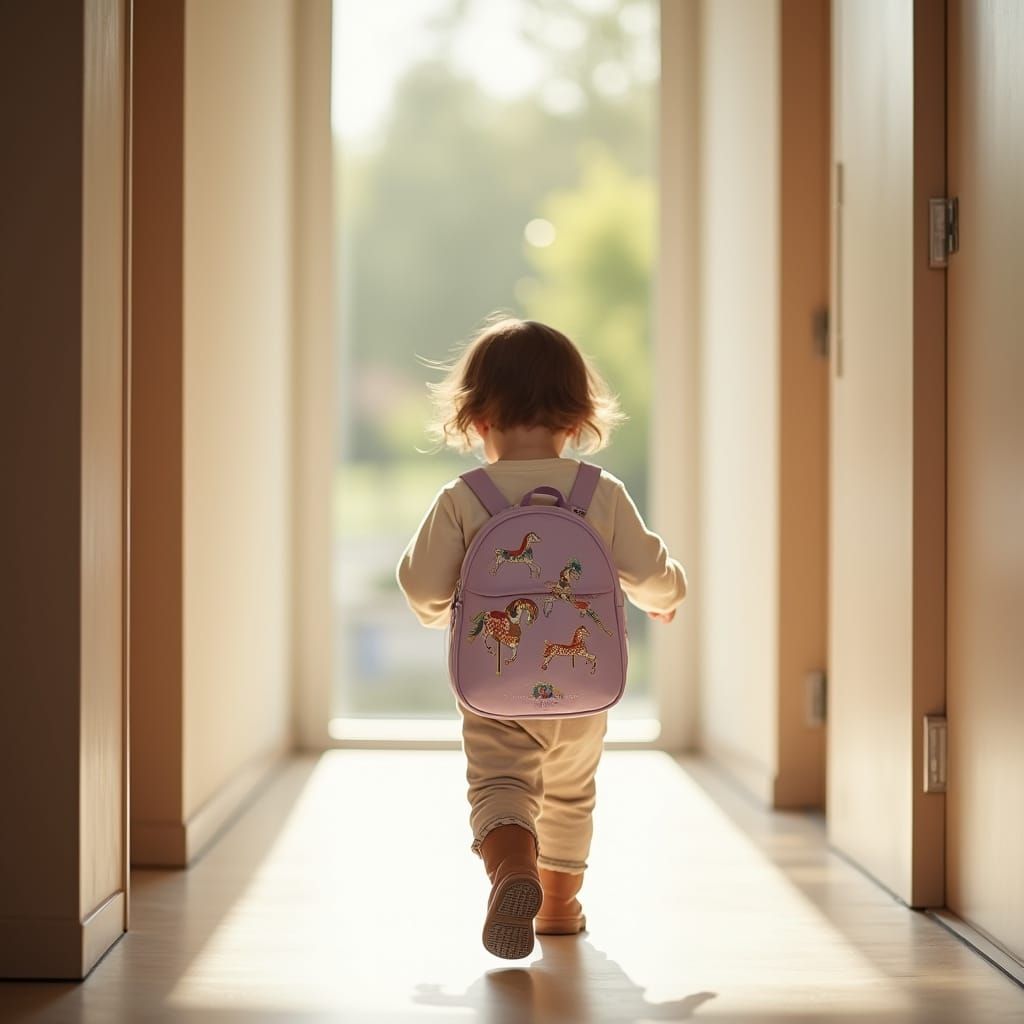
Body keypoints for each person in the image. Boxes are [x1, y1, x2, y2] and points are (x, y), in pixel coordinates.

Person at [397, 316, 687, 959]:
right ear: (579, 418)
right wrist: (666, 598)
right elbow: (648, 570)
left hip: (493, 682)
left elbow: (420, 585)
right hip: (583, 684)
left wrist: (443, 612)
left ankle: (511, 872)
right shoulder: (599, 491)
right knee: (570, 790)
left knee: (501, 785)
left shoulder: (464, 497)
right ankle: (558, 908)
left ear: (475, 419)